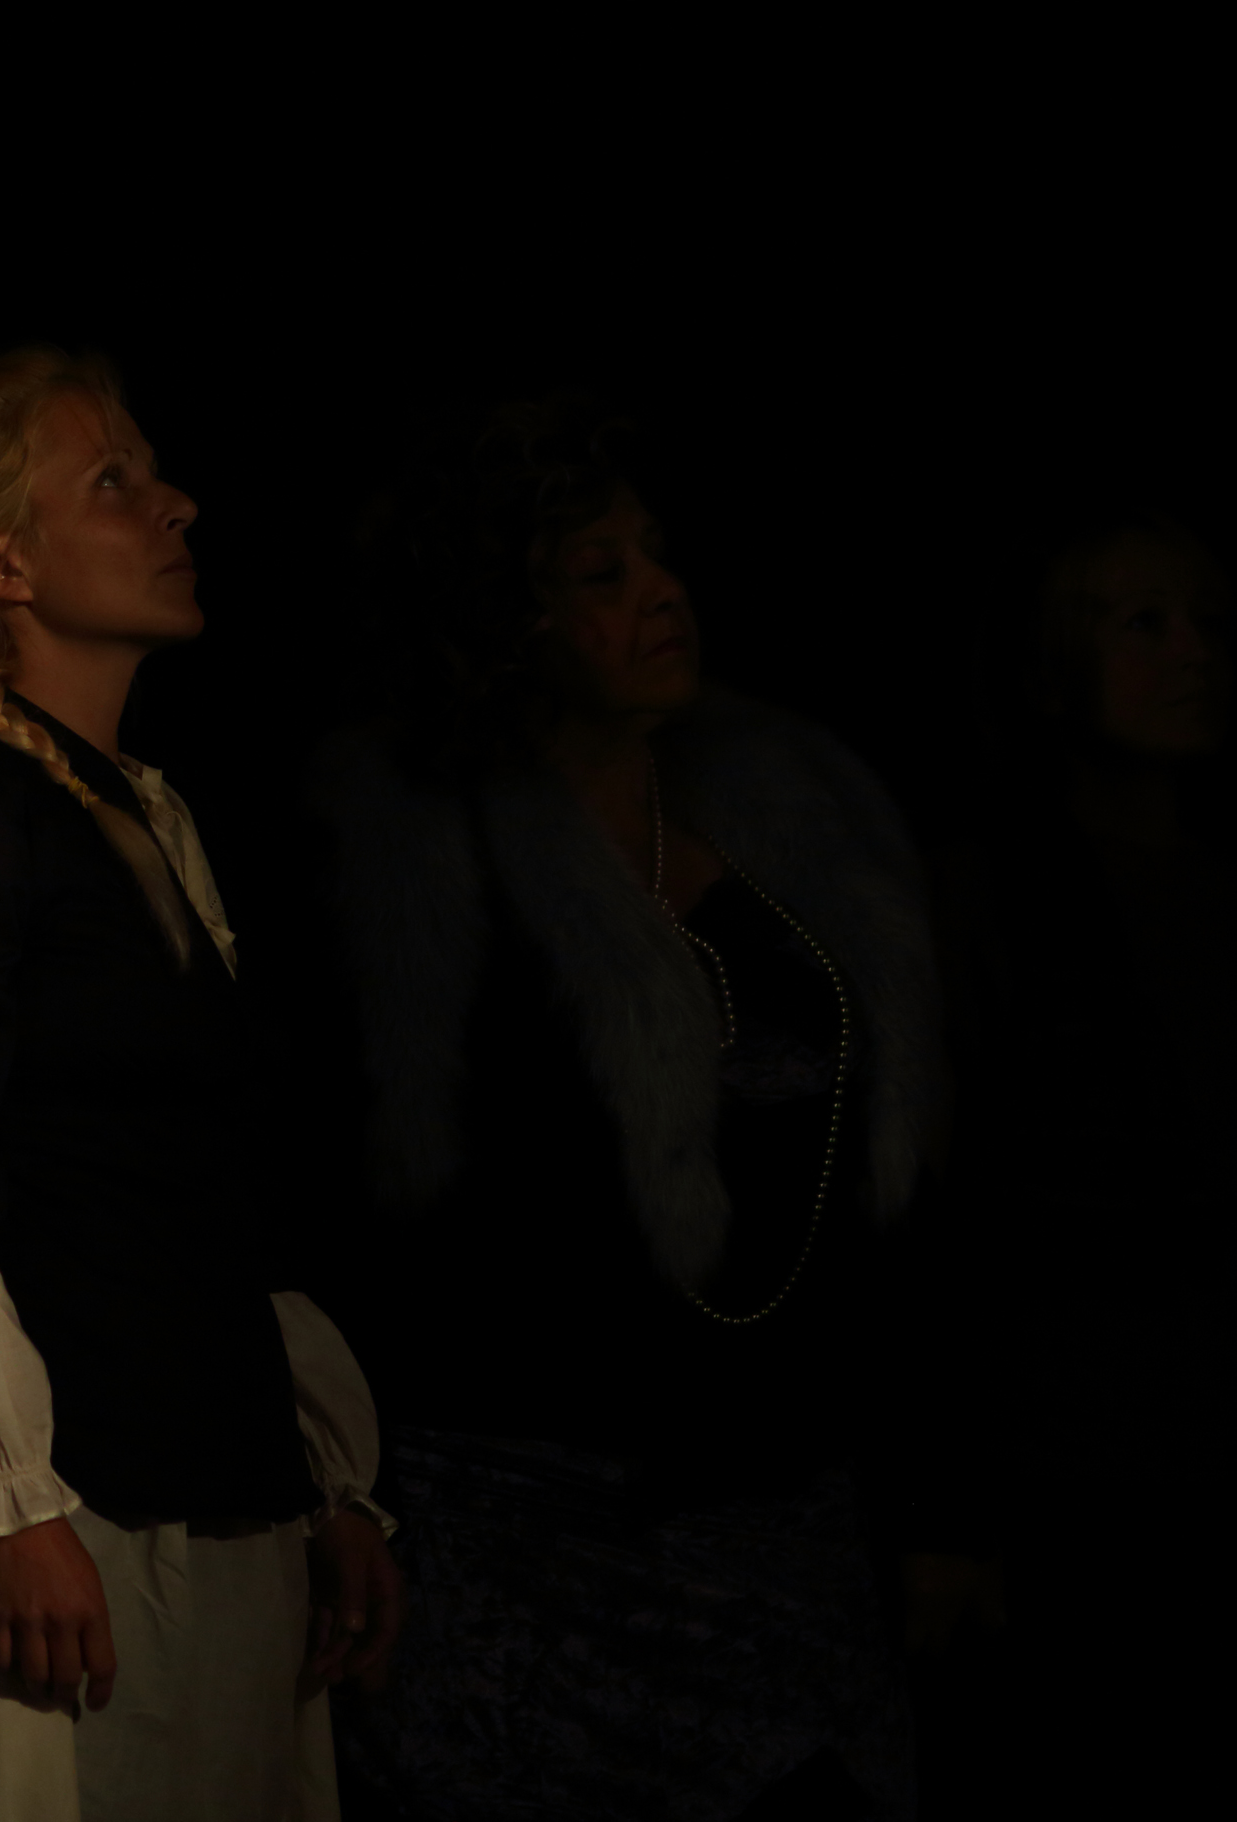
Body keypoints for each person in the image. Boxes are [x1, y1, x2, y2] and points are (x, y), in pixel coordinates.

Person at [311, 395, 969, 1820]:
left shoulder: (785, 820)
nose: (660, 591)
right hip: (517, 1525)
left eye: (655, 554)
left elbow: (893, 1186)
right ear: (506, 620)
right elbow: (362, 1204)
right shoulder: (416, 860)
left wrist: (931, 1499)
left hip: (784, 1515)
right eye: (599, 574)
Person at [0, 349, 396, 1820]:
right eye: (112, 482)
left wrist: (325, 1476)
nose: (174, 503)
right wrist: (11, 1501)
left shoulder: (137, 804)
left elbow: (217, 1166)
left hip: (219, 1495)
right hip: (70, 1517)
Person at [927, 510, 1230, 1811]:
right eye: (1141, 623)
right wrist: (952, 1509)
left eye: (1205, 622)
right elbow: (942, 1208)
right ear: (1052, 662)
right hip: (1076, 1478)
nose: (1191, 652)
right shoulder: (987, 891)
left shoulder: (1220, 882)